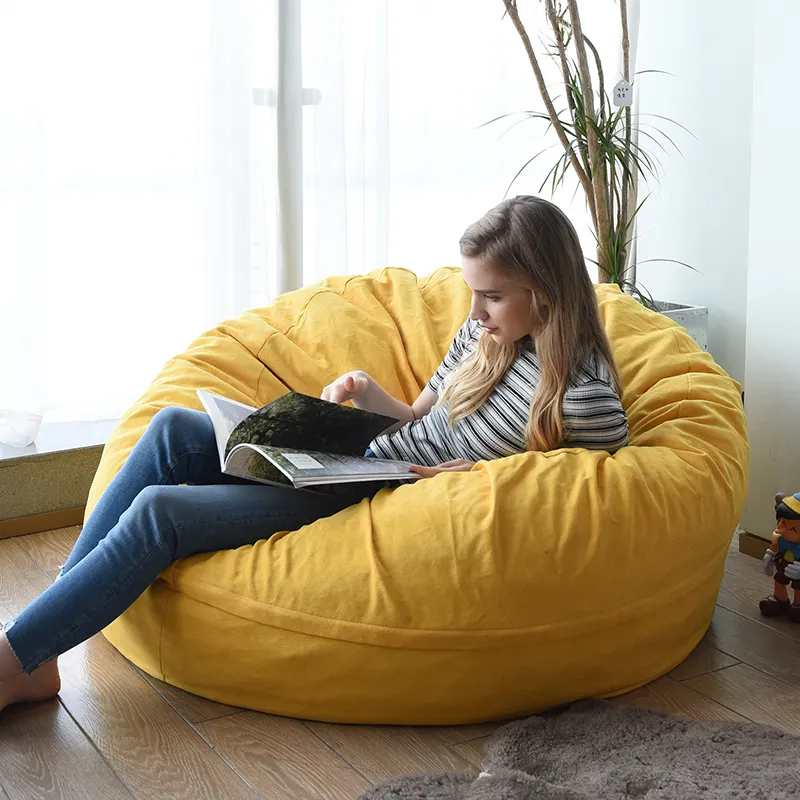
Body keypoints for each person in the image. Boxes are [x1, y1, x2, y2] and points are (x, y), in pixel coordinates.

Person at [0, 195, 627, 713]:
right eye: (472, 292)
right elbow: (416, 417)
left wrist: (474, 475)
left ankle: (18, 656)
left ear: (544, 289)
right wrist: (360, 391)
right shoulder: (485, 333)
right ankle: (44, 639)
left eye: (491, 295)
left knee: (161, 511)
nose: (474, 311)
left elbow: (591, 489)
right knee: (169, 428)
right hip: (366, 452)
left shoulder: (582, 395)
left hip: (386, 492)